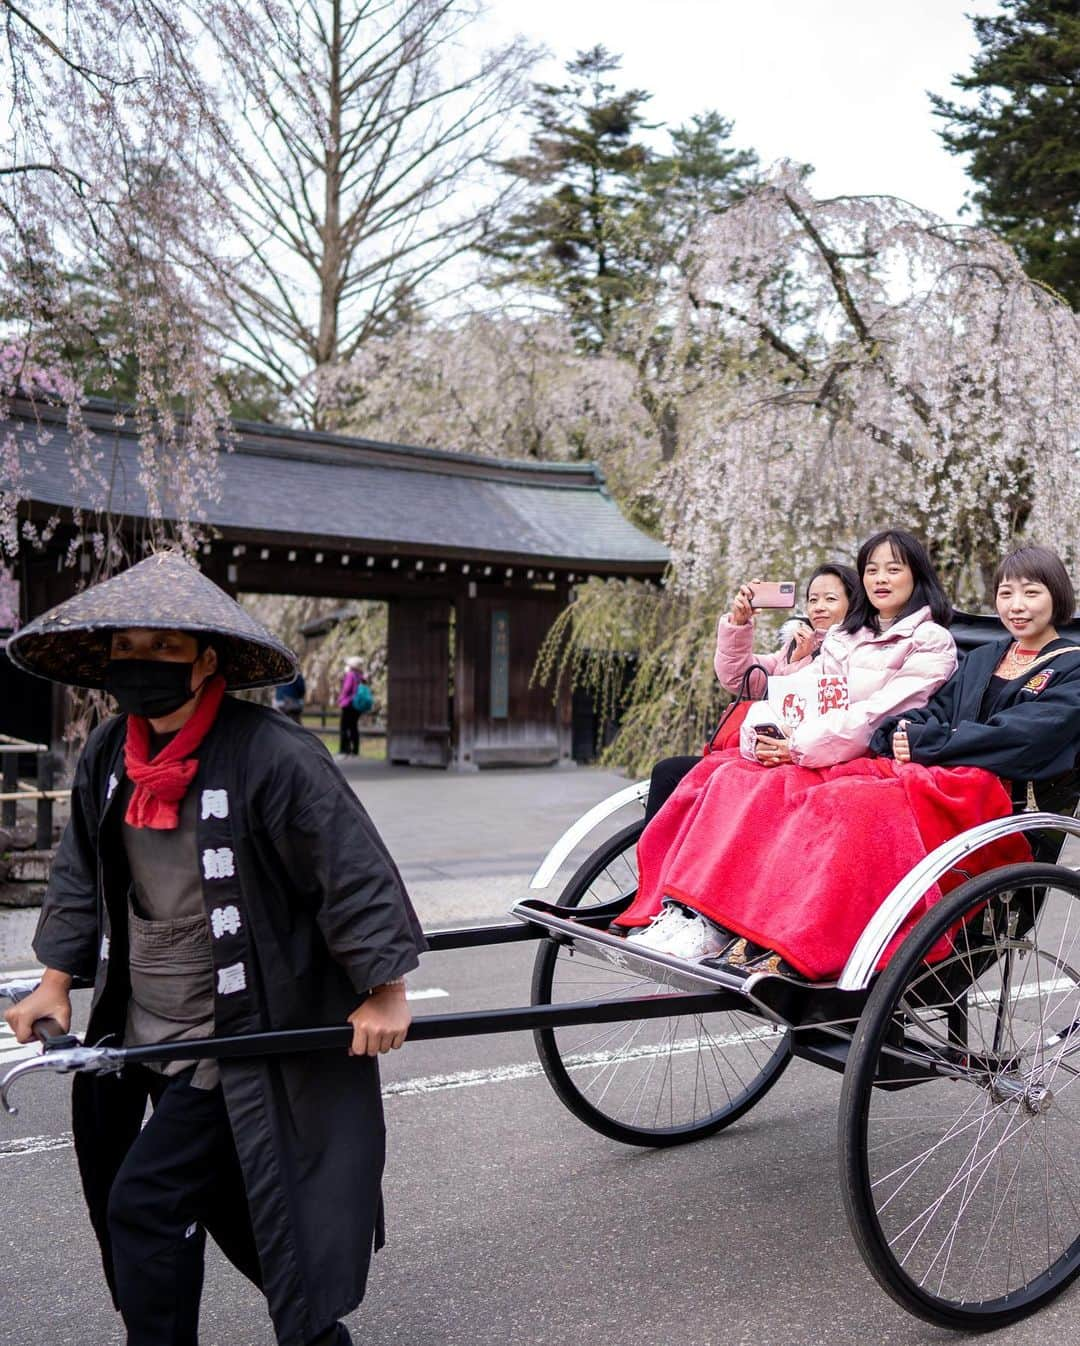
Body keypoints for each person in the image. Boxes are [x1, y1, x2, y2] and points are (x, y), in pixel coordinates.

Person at [3, 552, 426, 1346]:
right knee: (237, 1201)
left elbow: (351, 865)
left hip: (243, 1030)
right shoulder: (107, 755)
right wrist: (56, 981)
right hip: (147, 1025)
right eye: (128, 648)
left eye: (165, 649)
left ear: (207, 662)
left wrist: (385, 991)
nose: (143, 665)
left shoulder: (271, 754)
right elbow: (77, 873)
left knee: (148, 1204)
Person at [619, 528, 960, 973]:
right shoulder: (844, 637)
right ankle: (691, 908)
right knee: (728, 775)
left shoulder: (930, 642)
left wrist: (795, 747)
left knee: (781, 792)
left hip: (866, 754)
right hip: (820, 747)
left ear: (917, 577)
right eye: (871, 569)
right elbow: (803, 693)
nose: (880, 579)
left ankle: (731, 918)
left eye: (894, 569)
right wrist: (764, 736)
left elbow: (877, 713)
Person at [643, 563, 860, 823]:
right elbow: (739, 678)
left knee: (692, 777)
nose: (819, 606)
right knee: (668, 772)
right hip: (770, 753)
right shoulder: (799, 644)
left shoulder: (854, 648)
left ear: (854, 602)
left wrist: (798, 664)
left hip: (806, 758)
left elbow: (809, 707)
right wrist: (739, 622)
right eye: (813, 599)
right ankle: (663, 859)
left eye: (831, 599)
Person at [872, 545, 1080, 805]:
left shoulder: (1073, 666)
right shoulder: (982, 658)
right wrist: (898, 730)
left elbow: (1023, 738)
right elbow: (938, 710)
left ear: (1057, 596)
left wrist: (929, 743)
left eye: (1031, 593)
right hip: (947, 785)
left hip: (1009, 809)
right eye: (1005, 594)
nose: (1016, 606)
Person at [337, 655, 364, 758]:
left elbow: (347, 689)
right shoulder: (360, 675)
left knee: (344, 727)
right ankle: (355, 750)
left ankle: (344, 749)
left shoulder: (350, 675)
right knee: (354, 727)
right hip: (357, 705)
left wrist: (340, 699)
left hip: (348, 704)